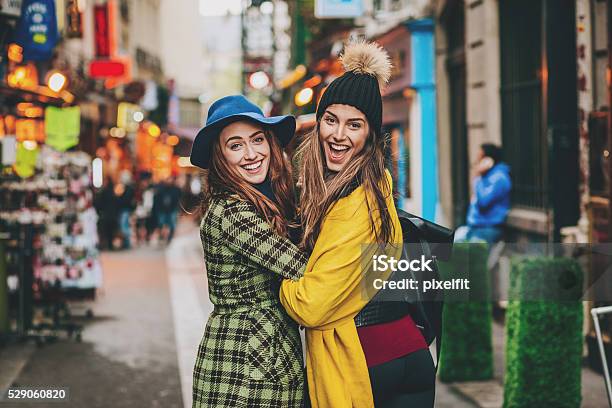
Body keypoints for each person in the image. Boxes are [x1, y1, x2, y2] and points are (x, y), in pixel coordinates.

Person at [279, 41, 428, 408]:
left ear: (371, 135)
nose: (339, 135)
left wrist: (279, 283)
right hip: (401, 353)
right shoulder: (370, 185)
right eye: (330, 119)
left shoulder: (355, 202)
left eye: (354, 125)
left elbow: (312, 306)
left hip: (371, 362)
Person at [189, 95, 308, 407]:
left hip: (260, 352)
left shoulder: (261, 198)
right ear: (220, 156)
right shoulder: (231, 212)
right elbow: (303, 267)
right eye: (236, 145)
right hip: (246, 362)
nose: (252, 154)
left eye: (258, 140)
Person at [455, 143, 512, 244]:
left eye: (480, 157)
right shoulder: (486, 177)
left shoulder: (499, 178)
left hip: (488, 228)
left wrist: (478, 176)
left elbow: (484, 202)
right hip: (475, 227)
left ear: (489, 161)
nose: (477, 162)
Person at [154, 177, 182, 244]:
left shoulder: (175, 189)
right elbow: (157, 199)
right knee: (161, 223)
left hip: (172, 210)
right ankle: (161, 236)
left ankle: (169, 238)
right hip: (162, 210)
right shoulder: (161, 189)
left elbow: (178, 198)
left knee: (172, 224)